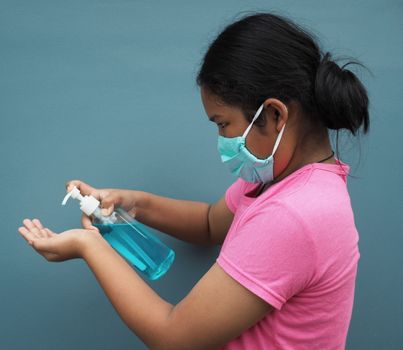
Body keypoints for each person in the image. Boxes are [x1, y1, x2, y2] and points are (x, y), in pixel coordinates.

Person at [18, 12, 369, 350]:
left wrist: (88, 246)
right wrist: (134, 203)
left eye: (222, 123)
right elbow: (209, 223)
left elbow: (173, 339)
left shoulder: (295, 215)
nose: (221, 139)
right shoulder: (278, 178)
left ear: (274, 115)